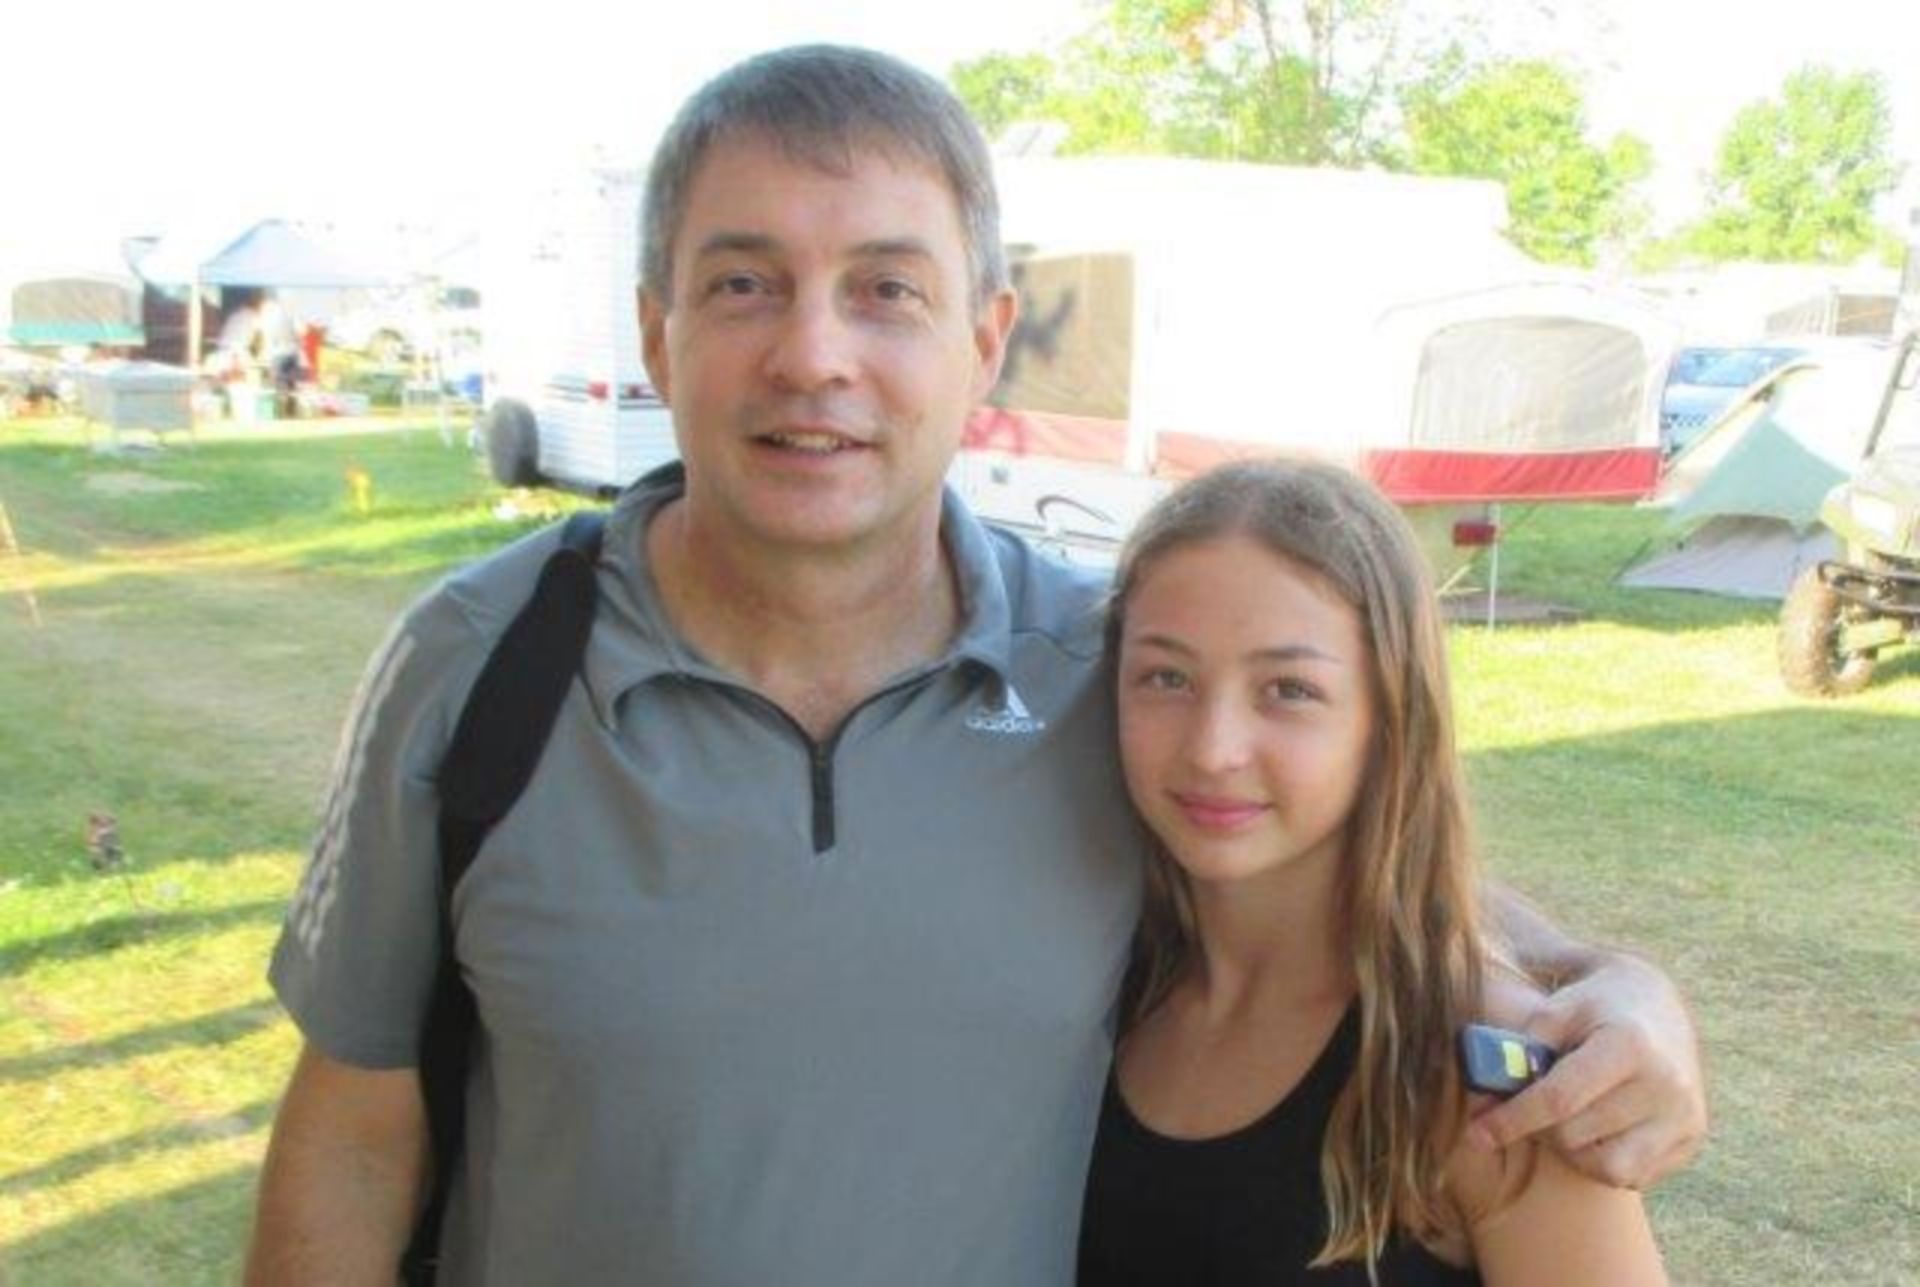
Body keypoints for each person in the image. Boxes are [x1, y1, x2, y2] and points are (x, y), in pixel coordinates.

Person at [246, 45, 1704, 1286]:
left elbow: (1329, 846)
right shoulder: (479, 666)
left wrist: (1612, 982)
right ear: (657, 332)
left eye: (887, 289)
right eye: (745, 282)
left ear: (986, 338)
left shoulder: (1099, 671)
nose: (814, 355)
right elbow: (357, 1132)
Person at [1076, 461, 1666, 1285]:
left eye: (1288, 689)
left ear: (1392, 716)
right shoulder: (1100, 975)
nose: (1213, 748)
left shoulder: (1483, 1075)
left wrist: (1631, 982)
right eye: (1166, 677)